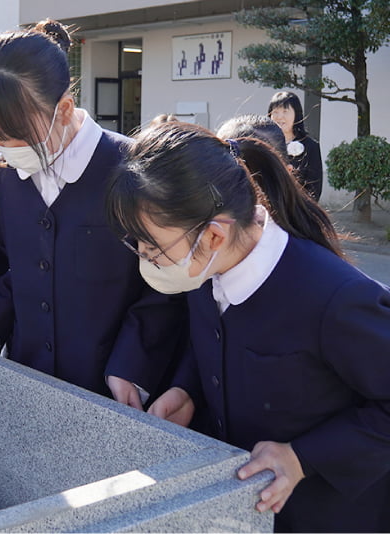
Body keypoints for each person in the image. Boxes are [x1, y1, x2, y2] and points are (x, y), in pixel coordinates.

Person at [106, 121, 390, 532]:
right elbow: (217, 341)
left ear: (213, 236)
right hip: (243, 512)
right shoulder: (208, 270)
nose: (145, 257)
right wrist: (188, 389)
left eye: (153, 247)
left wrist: (303, 457)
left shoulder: (334, 297)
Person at [0, 20, 187, 405]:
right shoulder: (5, 174)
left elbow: (165, 289)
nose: (2, 150)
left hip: (111, 389)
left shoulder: (133, 169)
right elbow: (17, 272)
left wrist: (133, 366)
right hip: (30, 383)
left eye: (14, 136)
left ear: (63, 109)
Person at [268, 91, 323, 201]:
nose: (280, 117)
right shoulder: (263, 144)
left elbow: (314, 188)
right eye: (276, 112)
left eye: (285, 111)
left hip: (298, 207)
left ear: (296, 114)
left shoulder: (310, 146)